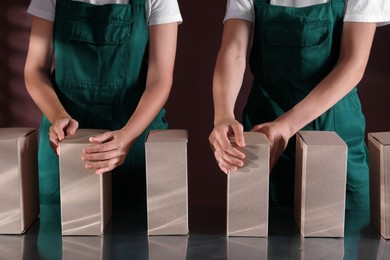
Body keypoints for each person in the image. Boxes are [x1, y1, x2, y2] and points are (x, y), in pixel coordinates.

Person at [209, 0, 390, 209]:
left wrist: (286, 126)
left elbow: (353, 63)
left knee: (344, 229)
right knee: (261, 230)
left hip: (334, 129)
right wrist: (223, 115)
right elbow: (234, 52)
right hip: (265, 130)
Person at [24, 0, 182, 206]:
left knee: (138, 231)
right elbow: (35, 69)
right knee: (59, 230)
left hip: (136, 136)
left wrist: (128, 135)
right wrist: (58, 116)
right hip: (66, 140)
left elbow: (160, 79)